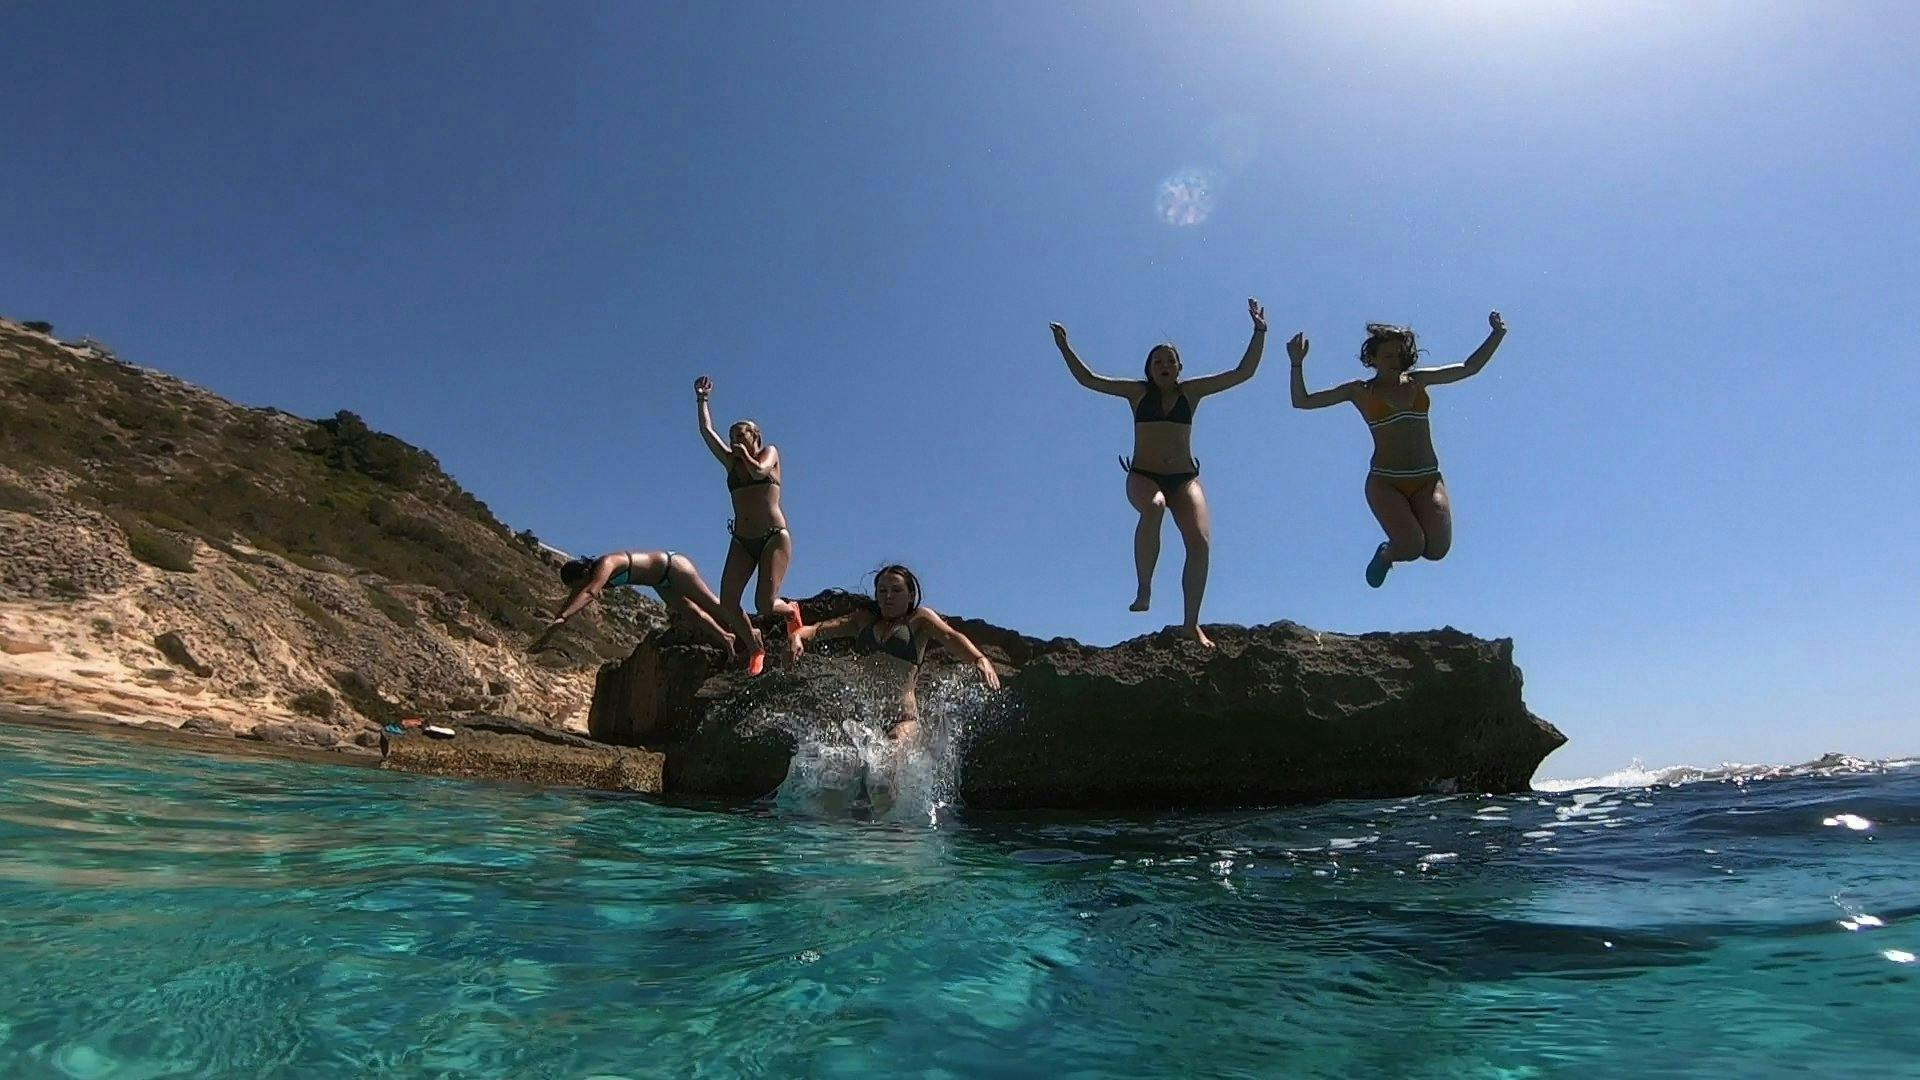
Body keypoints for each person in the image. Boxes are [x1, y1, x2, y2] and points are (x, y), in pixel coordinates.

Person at [1049, 299, 1269, 647]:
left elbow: (1243, 373)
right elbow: (1089, 379)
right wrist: (1065, 346)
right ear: (1149, 369)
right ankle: (1144, 588)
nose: (1164, 365)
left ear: (1179, 367)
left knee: (1200, 543)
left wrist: (1259, 331)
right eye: (1158, 361)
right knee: (1154, 507)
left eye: (1170, 361)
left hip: (1184, 479)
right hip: (1144, 476)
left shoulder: (1191, 392)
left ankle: (1191, 624)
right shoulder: (1137, 394)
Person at [1289, 311, 1508, 587]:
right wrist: (1296, 363)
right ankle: (1387, 553)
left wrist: (1496, 334)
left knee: (1436, 550)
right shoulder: (1360, 391)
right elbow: (1302, 401)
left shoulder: (1418, 381)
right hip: (1386, 482)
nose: (1395, 361)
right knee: (1411, 546)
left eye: (1399, 355)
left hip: (1427, 479)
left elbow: (1469, 367)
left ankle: (1408, 536)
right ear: (1372, 359)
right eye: (1388, 356)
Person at [787, 564, 1001, 749]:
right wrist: (797, 636)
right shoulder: (863, 620)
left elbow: (950, 636)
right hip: (867, 720)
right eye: (882, 591)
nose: (888, 596)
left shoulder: (919, 619)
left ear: (910, 596)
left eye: (896, 590)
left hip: (904, 720)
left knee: (890, 754)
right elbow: (816, 630)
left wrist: (979, 659)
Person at [694, 375, 801, 674]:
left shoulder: (770, 453)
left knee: (764, 605)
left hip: (773, 537)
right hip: (742, 540)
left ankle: (790, 610)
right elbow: (706, 432)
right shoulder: (732, 463)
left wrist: (745, 456)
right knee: (727, 603)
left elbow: (759, 473)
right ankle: (755, 645)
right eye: (732, 436)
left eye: (742, 435)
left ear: (756, 438)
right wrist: (702, 399)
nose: (736, 441)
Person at [529, 549, 755, 654]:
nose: (577, 590)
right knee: (691, 612)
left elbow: (590, 593)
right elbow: (566, 610)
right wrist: (545, 638)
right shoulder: (587, 580)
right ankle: (727, 638)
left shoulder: (606, 564)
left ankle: (752, 633)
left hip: (673, 566)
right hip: (660, 582)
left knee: (712, 604)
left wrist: (564, 616)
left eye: (577, 585)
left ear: (584, 573)